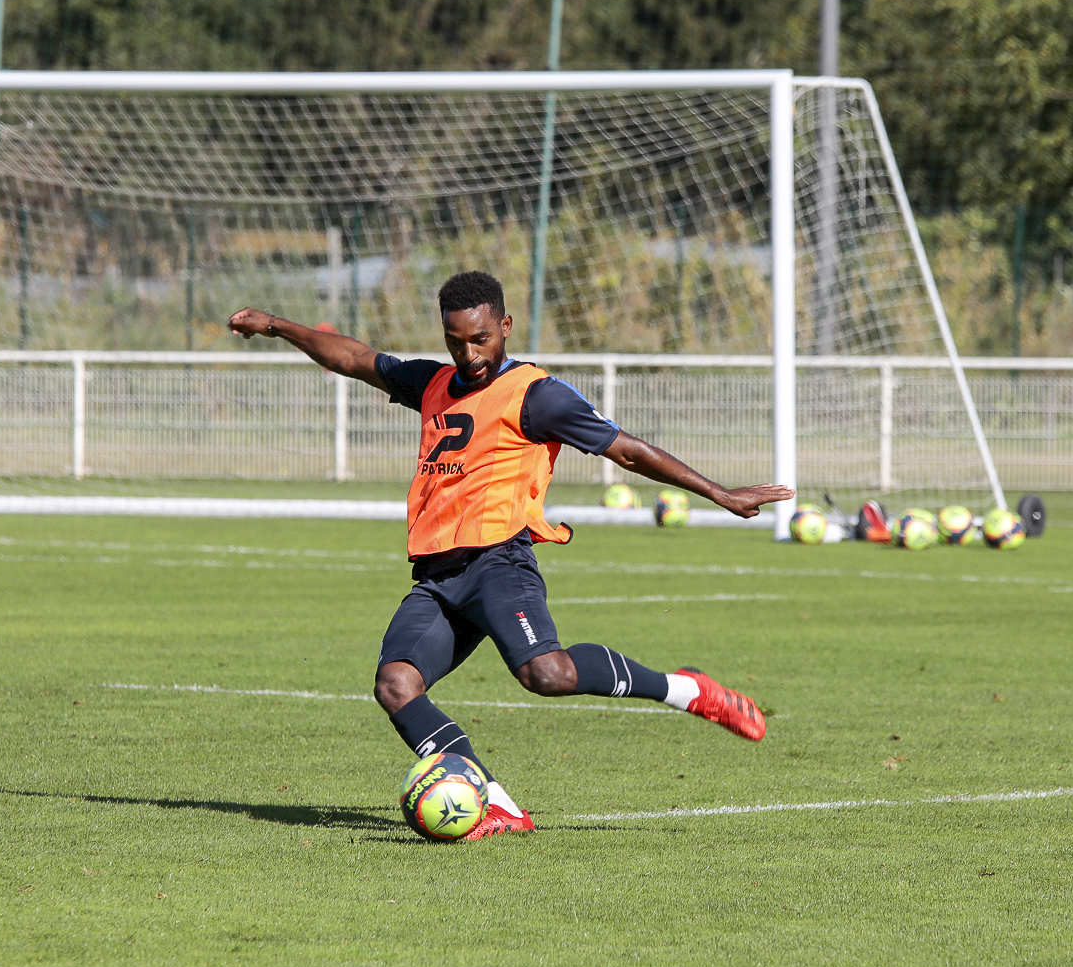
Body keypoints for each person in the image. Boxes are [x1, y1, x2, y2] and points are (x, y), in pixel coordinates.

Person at [228, 271, 792, 839]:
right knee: (396, 685)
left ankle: (686, 689)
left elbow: (624, 449)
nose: (469, 354)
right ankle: (497, 803)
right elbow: (354, 357)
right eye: (455, 341)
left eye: (480, 339)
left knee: (545, 674)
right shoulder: (433, 383)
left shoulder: (537, 396)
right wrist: (276, 325)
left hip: (499, 561)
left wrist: (718, 492)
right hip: (437, 576)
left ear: (505, 326)